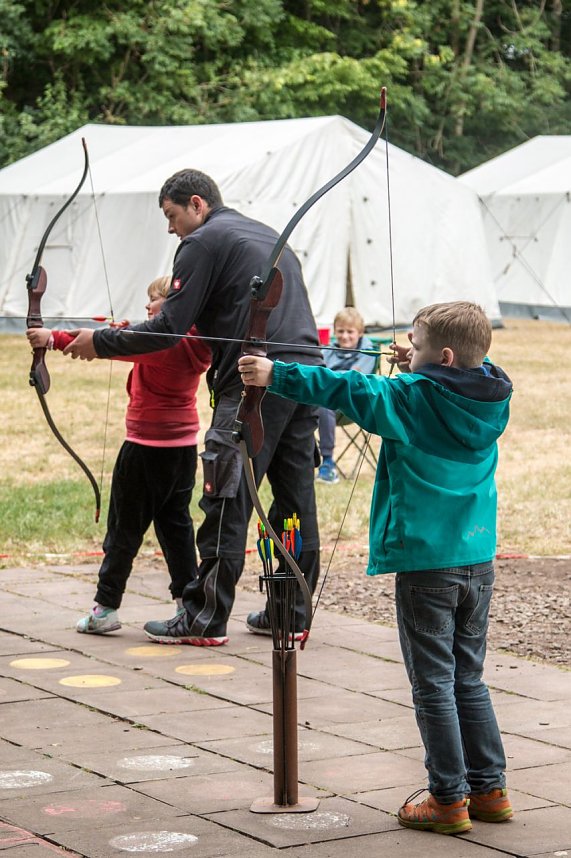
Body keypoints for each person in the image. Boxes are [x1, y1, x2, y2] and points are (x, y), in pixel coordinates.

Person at [238, 301, 513, 836]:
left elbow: (345, 390)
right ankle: (490, 790)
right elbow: (452, 375)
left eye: (416, 341)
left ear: (445, 355)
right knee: (468, 679)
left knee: (433, 681)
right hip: (478, 560)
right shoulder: (491, 394)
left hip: (428, 564)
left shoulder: (409, 397)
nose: (405, 347)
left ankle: (448, 799)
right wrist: (423, 359)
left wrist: (275, 374)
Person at [61, 169, 323, 645]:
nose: (171, 228)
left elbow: (170, 328)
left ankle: (204, 617)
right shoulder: (265, 234)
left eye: (172, 215)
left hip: (253, 381)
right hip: (306, 374)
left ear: (197, 204)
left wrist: (98, 342)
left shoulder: (203, 241)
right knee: (294, 501)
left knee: (225, 494)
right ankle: (291, 609)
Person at [27, 275, 211, 634]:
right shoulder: (194, 342)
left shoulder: (165, 342)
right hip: (183, 448)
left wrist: (51, 338)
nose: (148, 307)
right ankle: (186, 606)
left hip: (146, 448)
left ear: (172, 307)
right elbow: (131, 338)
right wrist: (129, 329)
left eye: (155, 301)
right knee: (176, 529)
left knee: (123, 529)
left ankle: (106, 608)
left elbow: (110, 344)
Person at [317, 307, 377, 484]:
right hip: (322, 405)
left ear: (360, 333)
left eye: (350, 332)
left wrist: (329, 379)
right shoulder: (327, 351)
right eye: (340, 331)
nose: (344, 336)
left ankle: (327, 463)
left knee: (324, 403)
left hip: (352, 406)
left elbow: (354, 382)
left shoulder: (368, 351)